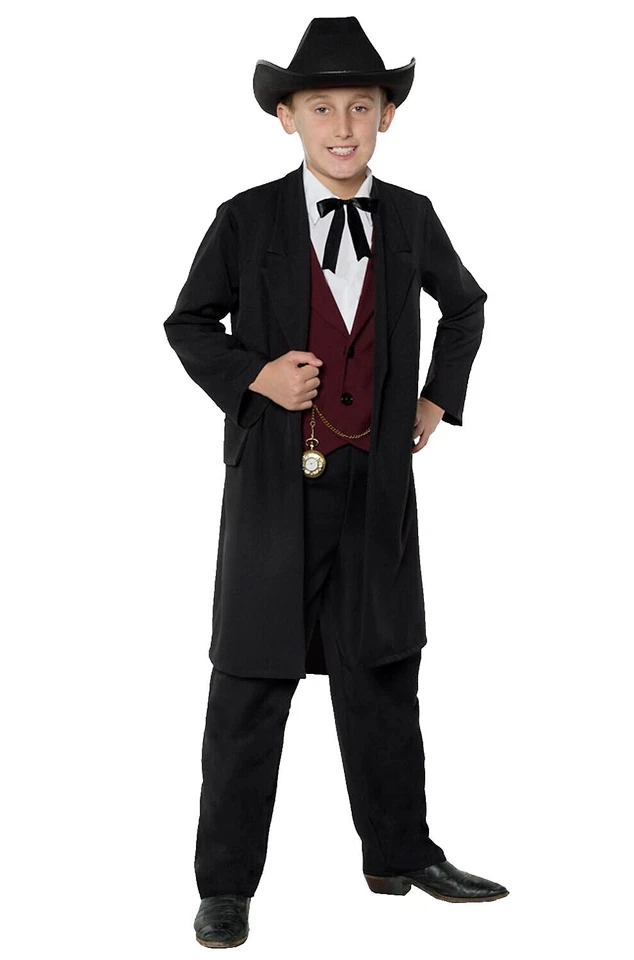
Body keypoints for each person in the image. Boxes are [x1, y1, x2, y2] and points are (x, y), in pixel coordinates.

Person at [163, 15, 509, 950]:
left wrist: (436, 398)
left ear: (387, 115)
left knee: (384, 671)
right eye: (322, 108)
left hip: (376, 489)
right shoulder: (245, 218)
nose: (343, 126)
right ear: (288, 117)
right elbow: (188, 323)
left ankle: (401, 854)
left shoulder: (413, 217)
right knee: (250, 683)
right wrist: (255, 376)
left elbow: (467, 306)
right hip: (275, 493)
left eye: (361, 106)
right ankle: (225, 884)